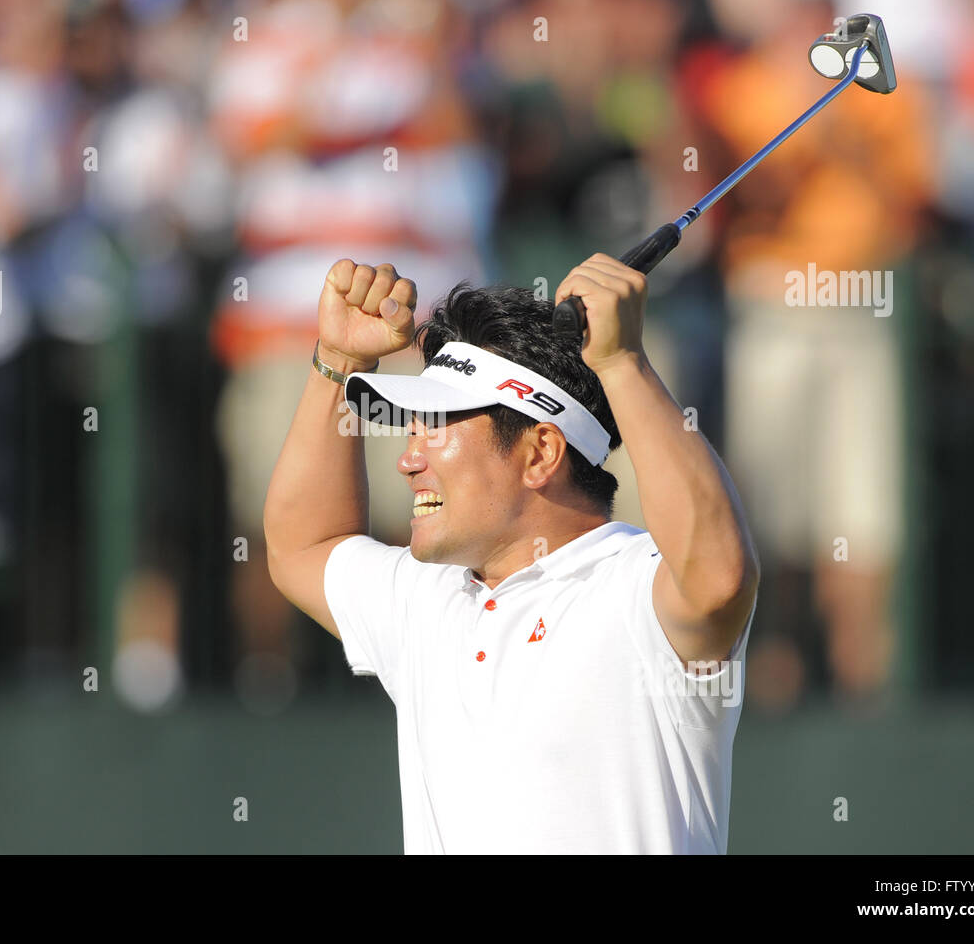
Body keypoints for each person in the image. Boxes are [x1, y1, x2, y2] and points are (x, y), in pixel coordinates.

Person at [264, 256, 759, 853]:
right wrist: (337, 364)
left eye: (436, 428)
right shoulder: (430, 598)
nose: (407, 460)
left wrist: (622, 364)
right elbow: (304, 544)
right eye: (412, 430)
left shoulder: (635, 589)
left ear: (540, 454)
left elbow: (720, 578)